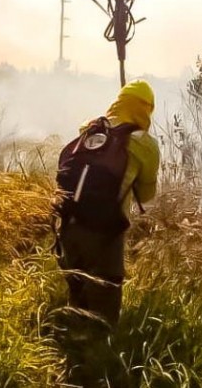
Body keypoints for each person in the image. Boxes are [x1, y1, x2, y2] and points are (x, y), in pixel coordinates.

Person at [56, 79, 160, 330]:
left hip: (67, 226)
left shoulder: (89, 129)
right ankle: (98, 359)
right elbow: (146, 196)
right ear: (146, 109)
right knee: (104, 308)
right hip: (105, 235)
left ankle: (71, 354)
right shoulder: (144, 143)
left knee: (77, 298)